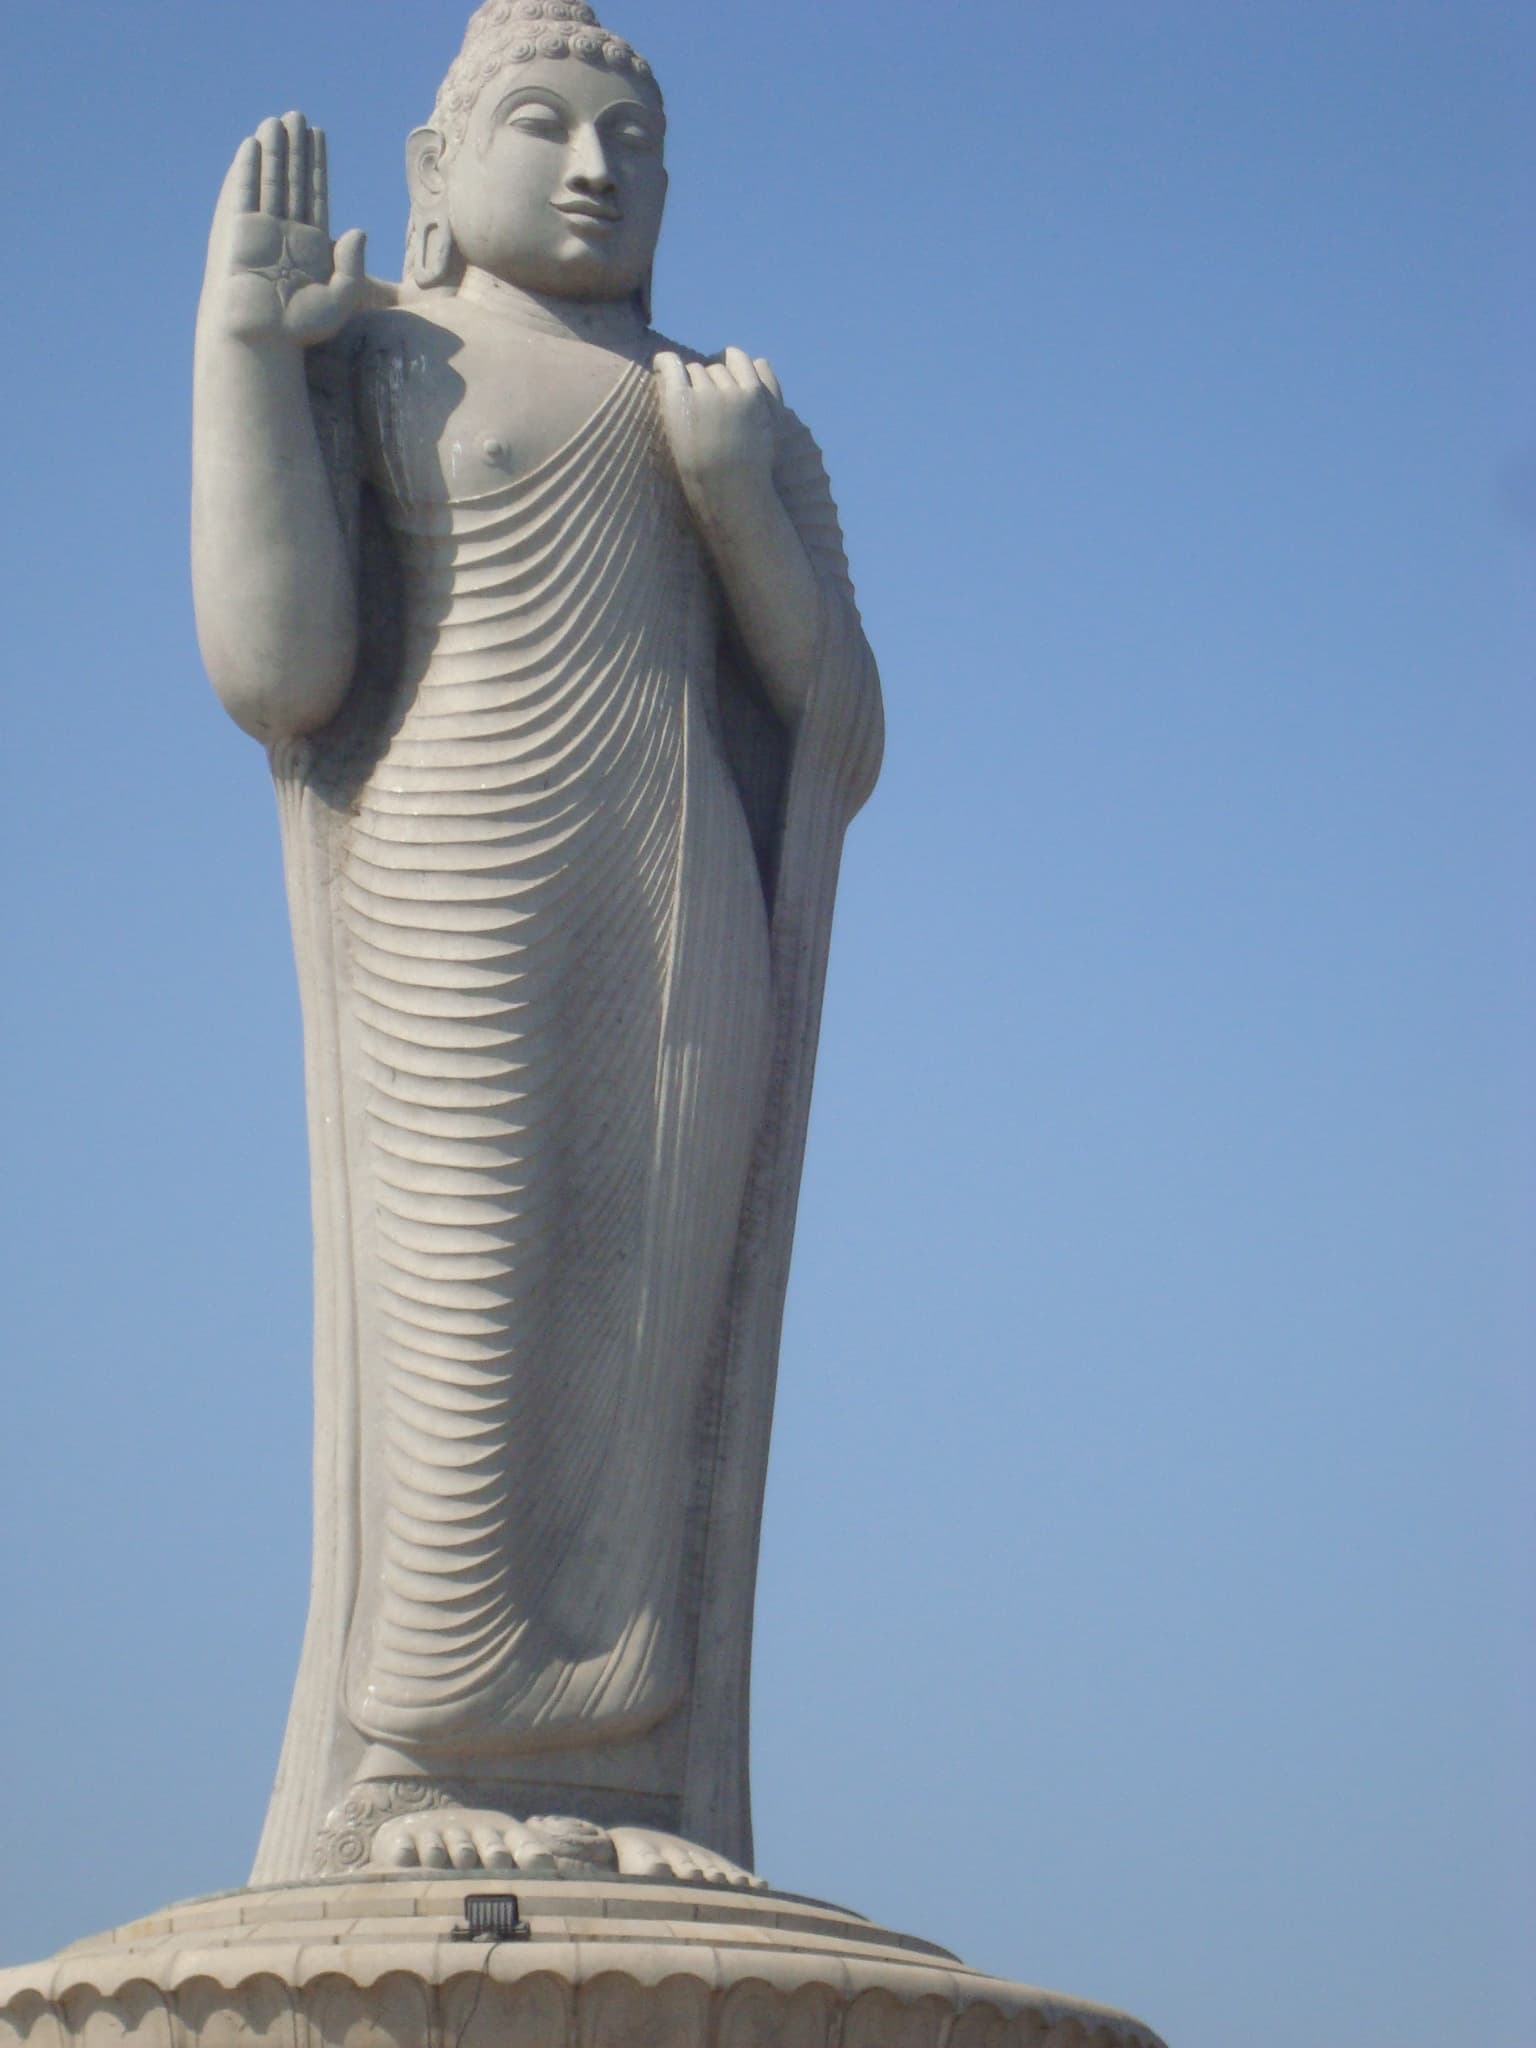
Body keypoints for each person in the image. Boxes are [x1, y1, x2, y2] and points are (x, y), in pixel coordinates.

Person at [193, 0, 881, 1888]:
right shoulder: (378, 354)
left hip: (680, 905)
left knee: (648, 1325)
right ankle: (418, 1764)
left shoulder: (732, 407)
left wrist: (733, 494)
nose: (596, 169)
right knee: (463, 1295)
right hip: (452, 872)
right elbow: (280, 671)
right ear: (436, 169)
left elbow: (842, 724)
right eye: (546, 127)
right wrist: (246, 361)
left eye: (634, 145)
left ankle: (624, 1776)